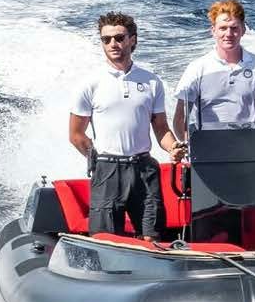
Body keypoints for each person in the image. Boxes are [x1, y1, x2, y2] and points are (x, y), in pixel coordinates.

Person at [68, 12, 184, 239]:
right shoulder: (90, 83)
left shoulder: (151, 81)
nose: (113, 43)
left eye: (119, 38)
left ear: (132, 40)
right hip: (107, 170)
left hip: (144, 170)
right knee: (105, 240)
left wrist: (173, 148)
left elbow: (161, 128)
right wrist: (97, 161)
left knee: (152, 237)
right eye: (106, 39)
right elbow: (76, 134)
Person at [171, 0, 255, 141]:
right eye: (223, 28)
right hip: (208, 151)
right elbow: (180, 119)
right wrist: (191, 147)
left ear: (243, 30)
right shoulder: (197, 68)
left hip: (251, 148)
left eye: (234, 28)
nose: (228, 34)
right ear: (213, 31)